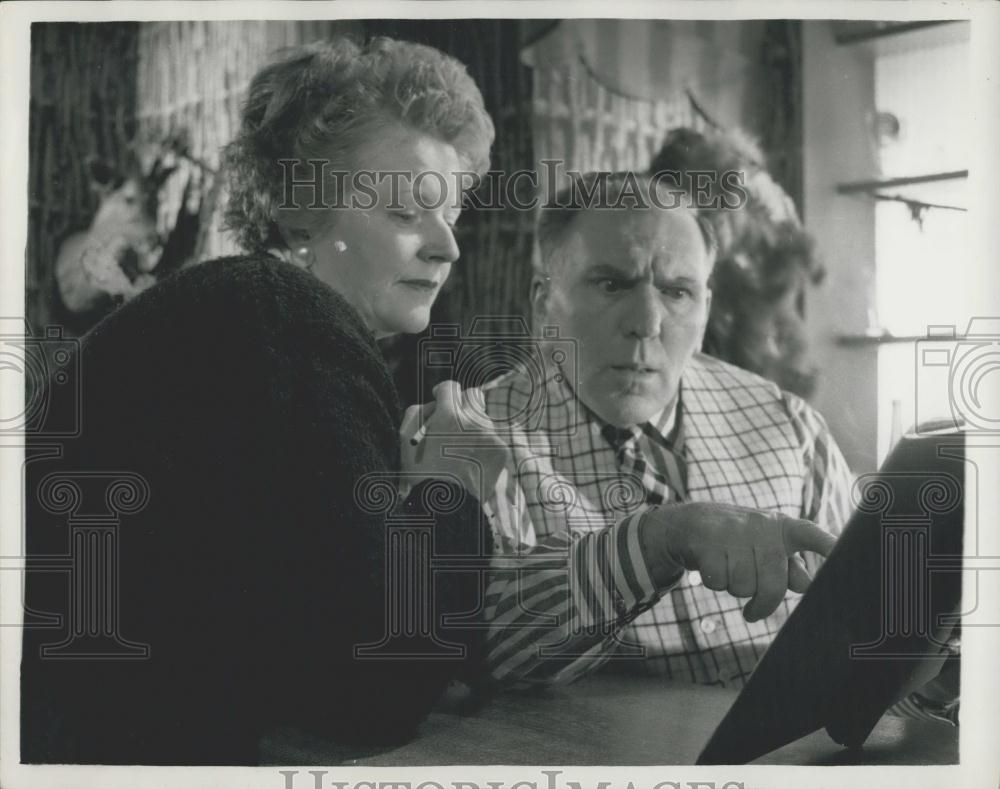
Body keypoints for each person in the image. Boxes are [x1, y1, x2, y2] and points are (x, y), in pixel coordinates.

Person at [21, 37, 498, 765]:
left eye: (452, 213)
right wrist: (453, 483)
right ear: (300, 211)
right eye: (406, 210)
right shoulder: (286, 323)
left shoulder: (241, 318)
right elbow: (383, 687)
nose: (447, 247)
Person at [478, 172, 854, 688]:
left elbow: (868, 625)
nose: (647, 321)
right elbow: (482, 652)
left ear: (705, 312)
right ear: (544, 304)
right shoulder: (477, 437)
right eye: (612, 284)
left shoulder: (790, 426)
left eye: (678, 292)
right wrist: (658, 543)